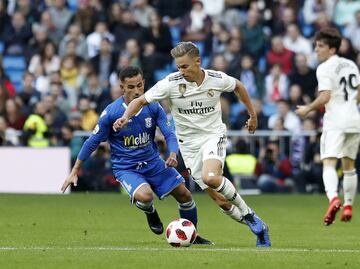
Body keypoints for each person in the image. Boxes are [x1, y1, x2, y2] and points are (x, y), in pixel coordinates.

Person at [113, 42, 271, 247]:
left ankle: (250, 216)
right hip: (189, 146)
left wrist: (253, 115)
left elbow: (239, 86)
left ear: (198, 61)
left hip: (213, 136)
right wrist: (125, 117)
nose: (181, 71)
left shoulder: (216, 79)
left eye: (185, 66)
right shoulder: (170, 83)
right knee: (221, 201)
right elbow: (139, 101)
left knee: (211, 177)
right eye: (178, 67)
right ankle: (260, 230)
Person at [61, 66, 211, 244]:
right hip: (126, 167)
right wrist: (74, 171)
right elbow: (91, 142)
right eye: (131, 87)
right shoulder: (111, 113)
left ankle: (192, 235)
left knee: (185, 194)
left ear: (144, 83)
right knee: (146, 196)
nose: (136, 91)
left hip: (153, 162)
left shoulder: (153, 107)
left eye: (139, 85)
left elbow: (169, 134)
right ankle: (150, 211)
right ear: (122, 88)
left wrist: (172, 153)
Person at [296, 28, 360, 225]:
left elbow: (325, 96)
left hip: (335, 122)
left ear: (332, 49)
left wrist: (308, 109)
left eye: (321, 46)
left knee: (329, 163)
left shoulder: (324, 68)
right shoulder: (350, 64)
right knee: (349, 166)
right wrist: (350, 106)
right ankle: (348, 205)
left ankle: (333, 199)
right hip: (354, 120)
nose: (317, 50)